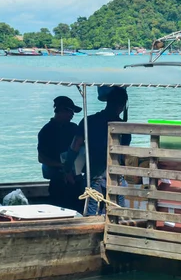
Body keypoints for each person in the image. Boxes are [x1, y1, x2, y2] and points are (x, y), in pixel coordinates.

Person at [64, 86, 130, 216]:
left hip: (94, 176)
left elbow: (75, 145)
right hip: (116, 177)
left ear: (107, 102)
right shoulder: (124, 127)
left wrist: (67, 169)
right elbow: (123, 156)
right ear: (122, 106)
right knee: (118, 215)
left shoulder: (89, 121)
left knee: (92, 214)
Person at [37, 96, 84, 212]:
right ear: (60, 110)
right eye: (70, 111)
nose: (72, 115)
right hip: (58, 180)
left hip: (76, 179)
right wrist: (62, 166)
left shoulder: (74, 128)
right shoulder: (46, 131)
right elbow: (42, 158)